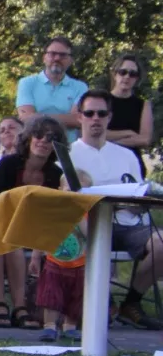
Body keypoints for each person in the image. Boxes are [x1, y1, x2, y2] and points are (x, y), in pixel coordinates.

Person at [69, 88, 163, 330]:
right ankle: (103, 301)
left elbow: (141, 192)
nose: (95, 118)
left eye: (102, 113)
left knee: (162, 243)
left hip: (128, 224)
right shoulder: (68, 154)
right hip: (87, 225)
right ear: (79, 116)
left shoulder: (127, 156)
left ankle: (131, 303)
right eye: (89, 113)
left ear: (110, 117)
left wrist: (137, 204)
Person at [16, 36, 88, 141]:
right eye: (52, 54)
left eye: (63, 55)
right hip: (36, 146)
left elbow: (77, 120)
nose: (57, 58)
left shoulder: (80, 87)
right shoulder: (27, 83)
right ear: (44, 57)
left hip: (68, 149)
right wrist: (65, 118)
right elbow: (26, 118)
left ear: (70, 60)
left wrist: (37, 116)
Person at [105, 53, 152, 175]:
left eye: (132, 74)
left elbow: (144, 140)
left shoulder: (143, 105)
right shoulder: (102, 101)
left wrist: (111, 140)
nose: (127, 76)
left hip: (132, 164)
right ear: (115, 74)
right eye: (123, 72)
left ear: (137, 79)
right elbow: (93, 133)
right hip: (104, 161)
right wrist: (128, 133)